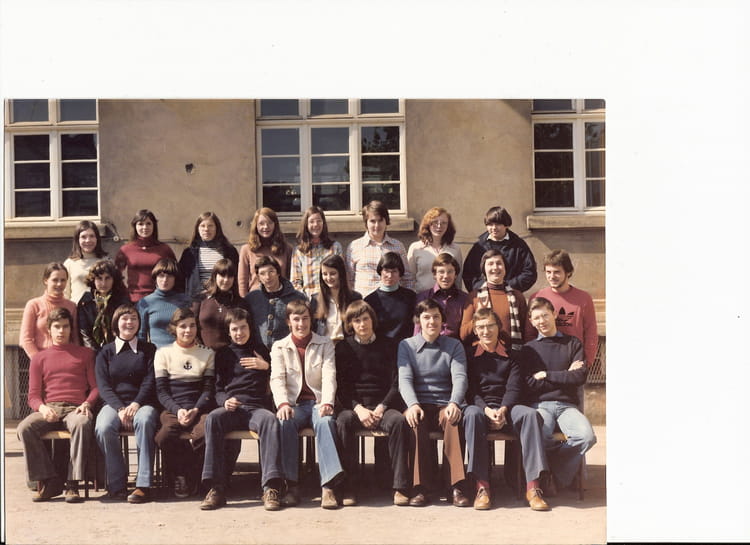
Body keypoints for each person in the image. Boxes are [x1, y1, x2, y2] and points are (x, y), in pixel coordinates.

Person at [463, 307, 550, 511]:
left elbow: (514, 388)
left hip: (508, 407)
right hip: (481, 408)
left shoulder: (513, 356)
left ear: (499, 327)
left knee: (530, 415)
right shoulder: (469, 356)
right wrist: (486, 410)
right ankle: (482, 487)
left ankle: (533, 487)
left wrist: (503, 409)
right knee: (471, 415)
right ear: (475, 331)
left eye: (490, 326)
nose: (486, 331)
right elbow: (471, 391)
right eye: (481, 327)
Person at [199, 308, 284, 511]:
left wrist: (266, 366)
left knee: (270, 420)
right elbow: (218, 389)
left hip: (256, 408)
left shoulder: (261, 350)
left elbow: (280, 376)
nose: (239, 333)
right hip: (232, 409)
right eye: (235, 329)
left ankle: (270, 487)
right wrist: (224, 402)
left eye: (243, 328)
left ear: (250, 328)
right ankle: (216, 487)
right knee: (213, 418)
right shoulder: (223, 354)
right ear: (229, 332)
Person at [17, 308, 97, 503]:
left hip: (75, 408)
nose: (61, 331)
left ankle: (72, 484)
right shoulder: (39, 358)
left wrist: (87, 403)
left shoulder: (85, 354)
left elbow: (96, 388)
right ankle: (49, 480)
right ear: (49, 330)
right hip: (50, 407)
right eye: (57, 327)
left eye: (65, 326)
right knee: (24, 428)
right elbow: (33, 396)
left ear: (71, 329)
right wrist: (43, 408)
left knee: (82, 423)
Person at [270, 300, 344, 509]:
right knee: (284, 422)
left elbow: (329, 376)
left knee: (325, 422)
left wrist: (327, 402)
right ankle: (292, 486)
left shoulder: (325, 343)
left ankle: (328, 487)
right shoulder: (279, 346)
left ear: (311, 320)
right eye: (296, 319)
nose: (301, 324)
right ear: (288, 321)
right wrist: (283, 404)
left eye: (305, 318)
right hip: (294, 404)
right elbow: (277, 378)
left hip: (318, 401)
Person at [334, 300, 410, 506]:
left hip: (383, 406)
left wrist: (382, 406)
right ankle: (349, 487)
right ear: (350, 324)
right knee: (342, 421)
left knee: (398, 422)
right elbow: (341, 387)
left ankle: (400, 487)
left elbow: (396, 382)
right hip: (356, 408)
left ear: (372, 320)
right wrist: (358, 409)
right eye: (357, 321)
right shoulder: (343, 348)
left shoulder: (389, 345)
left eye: (365, 319)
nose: (362, 325)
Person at [521, 297, 597, 494]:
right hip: (540, 405)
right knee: (540, 436)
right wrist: (565, 375)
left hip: (567, 406)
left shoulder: (572, 344)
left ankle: (554, 472)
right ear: (531, 321)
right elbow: (529, 385)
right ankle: (556, 476)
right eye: (537, 318)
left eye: (545, 315)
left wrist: (546, 375)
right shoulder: (529, 350)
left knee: (586, 437)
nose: (542, 321)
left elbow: (579, 377)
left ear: (554, 314)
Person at [398, 299, 469, 507]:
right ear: (418, 320)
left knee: (453, 420)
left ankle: (455, 486)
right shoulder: (407, 346)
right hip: (419, 404)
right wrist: (412, 404)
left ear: (442, 320)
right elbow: (404, 379)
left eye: (436, 317)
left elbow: (460, 377)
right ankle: (421, 488)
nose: (432, 321)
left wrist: (454, 402)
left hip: (445, 403)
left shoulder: (454, 345)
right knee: (415, 422)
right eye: (426, 317)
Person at [94, 304, 159, 503]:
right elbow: (103, 385)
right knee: (103, 427)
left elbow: (150, 380)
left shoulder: (149, 349)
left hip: (143, 403)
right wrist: (120, 408)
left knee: (145, 421)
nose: (129, 322)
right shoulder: (105, 351)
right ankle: (117, 484)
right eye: (124, 318)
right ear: (116, 322)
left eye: (133, 318)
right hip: (114, 404)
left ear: (139, 323)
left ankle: (143, 485)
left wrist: (136, 404)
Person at [154, 308, 216, 498]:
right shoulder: (163, 353)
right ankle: (181, 474)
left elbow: (208, 389)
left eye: (192, 325)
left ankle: (194, 476)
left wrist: (196, 409)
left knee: (204, 433)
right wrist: (178, 410)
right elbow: (161, 391)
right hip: (173, 409)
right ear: (174, 328)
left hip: (199, 408)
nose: (188, 330)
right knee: (164, 436)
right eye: (183, 326)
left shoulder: (208, 353)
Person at [525, 249, 599, 366]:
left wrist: (586, 362)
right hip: (545, 362)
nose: (552, 276)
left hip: (574, 361)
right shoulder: (537, 297)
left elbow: (591, 333)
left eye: (557, 272)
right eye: (548, 272)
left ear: (568, 272)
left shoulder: (584, 298)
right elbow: (530, 333)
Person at [460, 249, 528, 351]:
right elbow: (463, 335)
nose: (495, 267)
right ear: (484, 269)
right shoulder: (474, 297)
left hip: (512, 354)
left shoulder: (517, 296)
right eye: (490, 264)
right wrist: (479, 318)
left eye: (499, 263)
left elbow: (526, 331)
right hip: (481, 354)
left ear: (505, 268)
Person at [345, 200, 413, 297]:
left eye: (380, 220)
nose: (377, 225)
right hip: (364, 302)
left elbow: (407, 278)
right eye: (372, 221)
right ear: (366, 222)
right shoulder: (354, 247)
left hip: (392, 301)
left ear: (386, 221)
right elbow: (348, 280)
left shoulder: (397, 246)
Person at [462, 206, 537, 293]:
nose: (494, 228)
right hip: (484, 294)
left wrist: (508, 286)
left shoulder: (519, 245)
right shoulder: (479, 246)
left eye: (498, 224)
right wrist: (482, 288)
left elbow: (529, 273)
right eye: (490, 224)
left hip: (511, 294)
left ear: (506, 225)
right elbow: (468, 274)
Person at [244, 256, 306, 351]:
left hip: (287, 350)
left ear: (278, 273)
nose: (267, 277)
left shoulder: (297, 298)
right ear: (258, 277)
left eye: (271, 272)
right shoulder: (252, 298)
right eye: (262, 274)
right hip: (259, 352)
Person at [114, 209, 177, 302]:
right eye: (140, 224)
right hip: (133, 300)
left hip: (160, 299)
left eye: (148, 223)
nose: (145, 227)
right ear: (135, 226)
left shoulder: (164, 249)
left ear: (154, 226)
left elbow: (175, 273)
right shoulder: (126, 250)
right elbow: (116, 275)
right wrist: (124, 293)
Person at [20, 262, 79, 358]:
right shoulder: (34, 305)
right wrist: (39, 360)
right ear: (46, 280)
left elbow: (75, 338)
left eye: (63, 280)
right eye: (55, 280)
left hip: (66, 358)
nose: (59, 284)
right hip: (41, 359)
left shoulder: (72, 306)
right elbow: (26, 340)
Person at [191, 258, 251, 351]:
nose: (226, 280)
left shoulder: (240, 303)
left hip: (231, 356)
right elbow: (190, 326)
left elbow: (249, 333)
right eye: (222, 275)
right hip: (203, 354)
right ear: (215, 276)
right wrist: (201, 350)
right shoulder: (200, 299)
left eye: (230, 276)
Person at [179, 211, 240, 301]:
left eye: (210, 226)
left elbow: (236, 276)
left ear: (217, 228)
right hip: (196, 300)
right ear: (197, 229)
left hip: (222, 299)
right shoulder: (189, 253)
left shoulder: (229, 251)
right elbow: (181, 279)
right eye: (202, 226)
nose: (206, 229)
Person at [136, 259, 192, 348]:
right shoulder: (145, 303)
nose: (165, 280)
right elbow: (141, 335)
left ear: (175, 278)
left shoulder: (185, 300)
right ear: (155, 278)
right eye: (161, 276)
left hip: (182, 352)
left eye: (169, 276)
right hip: (157, 353)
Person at [290, 205, 343, 298]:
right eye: (312, 222)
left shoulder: (335, 247)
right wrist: (305, 301)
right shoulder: (299, 251)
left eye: (319, 221)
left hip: (332, 298)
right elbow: (295, 282)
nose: (316, 225)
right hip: (309, 299)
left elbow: (342, 276)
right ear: (306, 225)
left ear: (323, 223)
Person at [238, 207, 292, 297]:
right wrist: (244, 301)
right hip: (256, 299)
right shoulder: (246, 250)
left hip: (282, 298)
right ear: (256, 226)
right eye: (261, 223)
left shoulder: (286, 248)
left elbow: (291, 277)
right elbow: (242, 281)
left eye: (270, 223)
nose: (266, 227)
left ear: (275, 225)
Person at [77, 259, 130, 350]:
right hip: (93, 351)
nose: (103, 283)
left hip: (119, 349)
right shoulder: (85, 302)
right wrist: (97, 354)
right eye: (99, 278)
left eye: (107, 278)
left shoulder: (122, 300)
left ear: (114, 279)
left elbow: (126, 330)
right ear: (93, 280)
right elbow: (85, 334)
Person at [407, 207, 463, 293]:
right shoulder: (415, 248)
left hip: (448, 298)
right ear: (428, 224)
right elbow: (409, 278)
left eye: (444, 223)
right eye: (435, 222)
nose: (439, 226)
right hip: (422, 297)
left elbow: (458, 279)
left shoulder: (455, 249)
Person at [364, 252, 416, 343]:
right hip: (379, 347)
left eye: (394, 271)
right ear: (380, 271)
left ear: (400, 273)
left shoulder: (410, 297)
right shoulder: (370, 300)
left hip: (406, 347)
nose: (390, 275)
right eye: (386, 271)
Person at [414, 253, 467, 339]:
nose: (446, 276)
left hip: (455, 345)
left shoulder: (464, 299)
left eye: (450, 272)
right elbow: (417, 330)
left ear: (456, 275)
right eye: (441, 272)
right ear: (434, 275)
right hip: (429, 344)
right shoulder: (423, 297)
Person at [310, 254, 362, 344]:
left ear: (341, 273)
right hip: (324, 346)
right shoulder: (316, 299)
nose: (328, 278)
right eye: (325, 274)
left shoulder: (354, 298)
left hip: (347, 347)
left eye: (333, 273)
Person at [64, 220, 108, 304]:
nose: (88, 240)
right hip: (76, 309)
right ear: (77, 239)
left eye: (92, 236)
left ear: (97, 238)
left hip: (100, 309)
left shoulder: (106, 261)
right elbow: (65, 294)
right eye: (83, 237)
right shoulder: (69, 263)